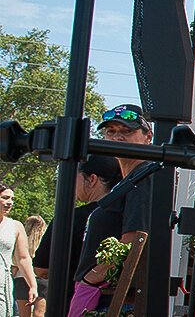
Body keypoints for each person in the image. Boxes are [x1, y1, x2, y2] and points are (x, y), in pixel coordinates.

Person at [69, 104, 161, 317]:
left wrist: (93, 277)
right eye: (111, 131)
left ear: (148, 136)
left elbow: (134, 240)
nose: (118, 137)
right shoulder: (127, 181)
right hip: (99, 295)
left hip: (111, 300)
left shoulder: (144, 177)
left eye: (127, 131)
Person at [32, 155, 120, 317]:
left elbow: (41, 269)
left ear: (92, 179)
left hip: (71, 305)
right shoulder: (128, 217)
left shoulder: (71, 218)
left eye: (76, 175)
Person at [0, 186, 38, 317]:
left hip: (2, 284)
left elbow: (23, 258)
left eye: (12, 199)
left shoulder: (15, 226)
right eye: (5, 198)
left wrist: (33, 285)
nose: (10, 202)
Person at [16, 216, 44, 317]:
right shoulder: (45, 242)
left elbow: (15, 264)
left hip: (21, 278)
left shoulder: (20, 240)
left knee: (23, 315)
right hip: (41, 278)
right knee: (39, 314)